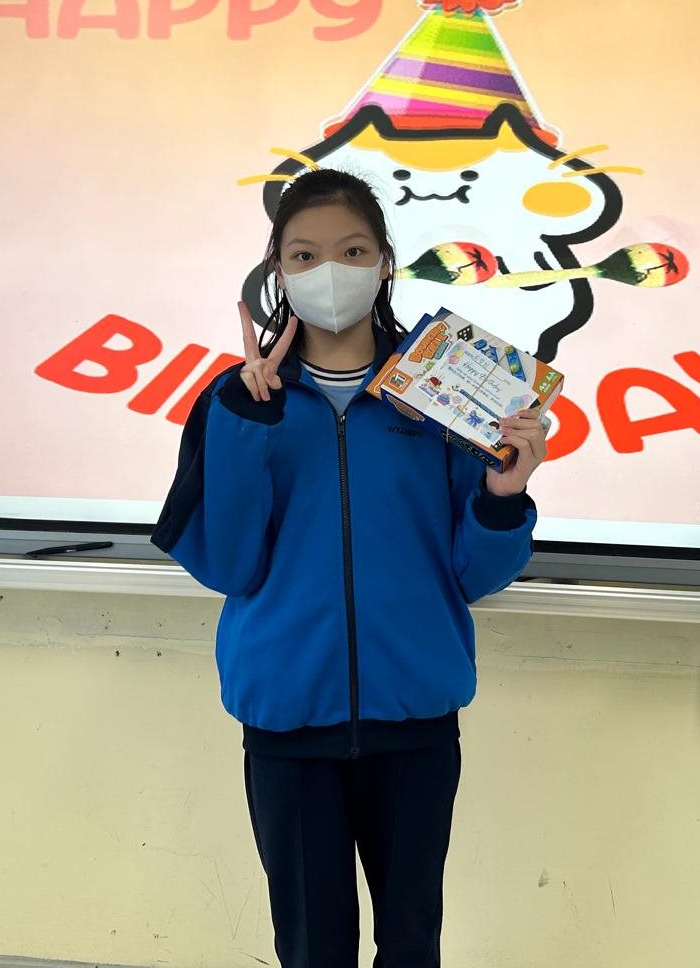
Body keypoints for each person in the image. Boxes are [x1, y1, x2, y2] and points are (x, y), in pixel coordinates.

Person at [153, 168, 548, 968]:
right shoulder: (233, 401)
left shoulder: (441, 394)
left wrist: (504, 496)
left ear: (384, 262)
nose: (329, 271)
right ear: (277, 272)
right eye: (304, 255)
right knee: (311, 949)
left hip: (415, 721)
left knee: (412, 945)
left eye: (353, 250)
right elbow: (227, 565)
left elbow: (475, 576)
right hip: (288, 721)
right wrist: (251, 425)